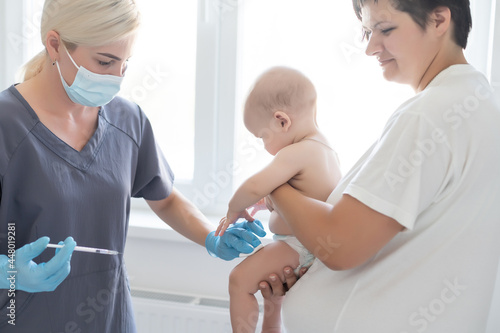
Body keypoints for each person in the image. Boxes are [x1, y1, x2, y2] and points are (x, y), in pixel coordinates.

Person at [0, 1, 264, 331]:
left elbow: (165, 198)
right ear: (54, 44)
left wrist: (213, 237)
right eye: (105, 62)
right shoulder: (6, 125)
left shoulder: (128, 120)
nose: (116, 79)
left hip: (111, 318)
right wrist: (7, 271)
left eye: (124, 65)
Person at [259, 0, 500, 332]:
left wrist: (274, 184)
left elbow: (341, 244)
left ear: (439, 20)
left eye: (385, 29)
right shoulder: (478, 102)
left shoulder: (428, 116)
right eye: (368, 31)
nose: (371, 47)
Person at [216, 66, 341, 332]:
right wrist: (269, 204)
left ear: (282, 121)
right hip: (312, 249)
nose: (263, 145)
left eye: (262, 136)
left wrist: (233, 209)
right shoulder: (325, 150)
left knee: (239, 281)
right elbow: (304, 198)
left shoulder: (297, 151)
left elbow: (254, 185)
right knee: (270, 289)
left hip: (299, 247)